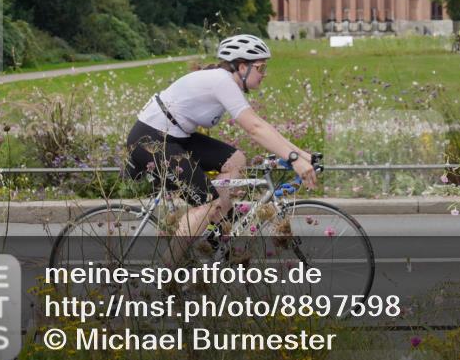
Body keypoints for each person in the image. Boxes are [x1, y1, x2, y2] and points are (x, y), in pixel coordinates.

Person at [124, 34, 318, 240]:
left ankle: (215, 227)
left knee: (235, 161)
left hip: (176, 136)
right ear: (243, 67)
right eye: (261, 68)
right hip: (151, 140)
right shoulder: (221, 81)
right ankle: (169, 268)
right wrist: (294, 159)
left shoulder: (224, 81)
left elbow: (262, 126)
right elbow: (254, 128)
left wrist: (302, 155)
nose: (264, 74)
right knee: (208, 202)